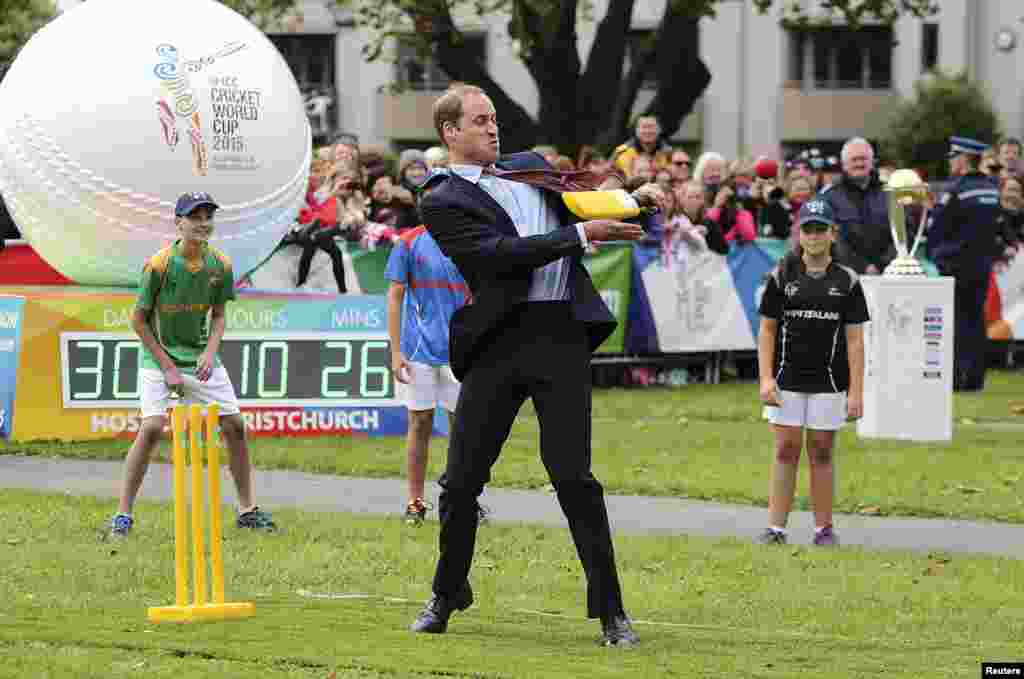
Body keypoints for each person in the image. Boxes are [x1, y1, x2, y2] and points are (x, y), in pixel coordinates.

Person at [409, 84, 661, 647]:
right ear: (450, 133)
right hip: (499, 342)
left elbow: (589, 199)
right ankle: (447, 593)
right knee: (460, 483)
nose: (493, 128)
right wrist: (578, 236)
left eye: (494, 119)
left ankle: (612, 613)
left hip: (560, 337)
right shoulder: (441, 198)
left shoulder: (529, 168)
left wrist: (636, 196)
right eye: (479, 121)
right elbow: (498, 256)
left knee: (574, 478)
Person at [109, 192, 276, 539]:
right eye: (194, 217)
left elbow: (218, 317)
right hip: (158, 358)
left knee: (235, 425)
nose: (202, 223)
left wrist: (209, 352)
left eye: (208, 217)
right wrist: (168, 367)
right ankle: (122, 515)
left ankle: (247, 510)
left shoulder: (221, 266)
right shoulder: (159, 265)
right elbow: (138, 321)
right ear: (178, 222)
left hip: (199, 357)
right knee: (153, 427)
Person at [756, 198, 869, 547]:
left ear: (833, 233)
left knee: (821, 450)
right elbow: (768, 331)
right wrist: (765, 378)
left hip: (830, 382)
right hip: (787, 379)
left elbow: (855, 342)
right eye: (808, 228)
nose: (815, 235)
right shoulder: (781, 274)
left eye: (821, 228)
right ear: (799, 233)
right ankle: (776, 528)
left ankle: (824, 529)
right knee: (786, 448)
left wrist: (856, 392)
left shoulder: (847, 281)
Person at [385, 220, 470, 525]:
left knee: (464, 429)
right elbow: (394, 295)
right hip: (417, 350)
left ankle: (462, 500)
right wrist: (396, 351)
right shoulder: (408, 242)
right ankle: (415, 502)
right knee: (419, 422)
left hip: (461, 349)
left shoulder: (469, 236)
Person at [927, 137, 1005, 391]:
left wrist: (936, 255)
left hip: (956, 265)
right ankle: (974, 378)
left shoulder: (956, 190)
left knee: (958, 322)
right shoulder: (991, 188)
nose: (950, 162)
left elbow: (937, 228)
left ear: (963, 160)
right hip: (981, 265)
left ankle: (958, 378)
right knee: (976, 321)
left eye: (953, 157)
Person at [820, 137, 896, 275]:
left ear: (872, 162)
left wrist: (881, 265)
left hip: (888, 273)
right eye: (854, 159)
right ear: (844, 164)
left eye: (864, 159)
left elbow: (904, 233)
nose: (859, 163)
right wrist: (862, 267)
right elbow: (829, 239)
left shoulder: (891, 194)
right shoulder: (829, 197)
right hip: (844, 276)